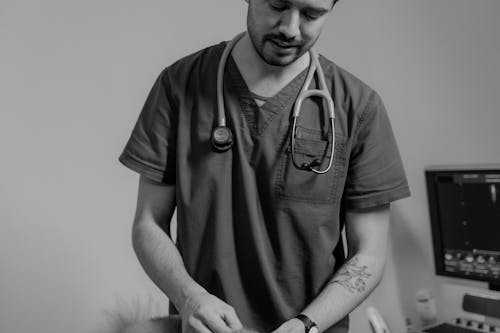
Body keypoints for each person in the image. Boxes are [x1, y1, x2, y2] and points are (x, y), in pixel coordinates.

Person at [118, 0, 411, 333]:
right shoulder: (179, 86)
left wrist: (306, 325)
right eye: (277, 5)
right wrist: (188, 297)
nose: (290, 28)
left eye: (312, 14)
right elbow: (148, 224)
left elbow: (369, 254)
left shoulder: (358, 107)